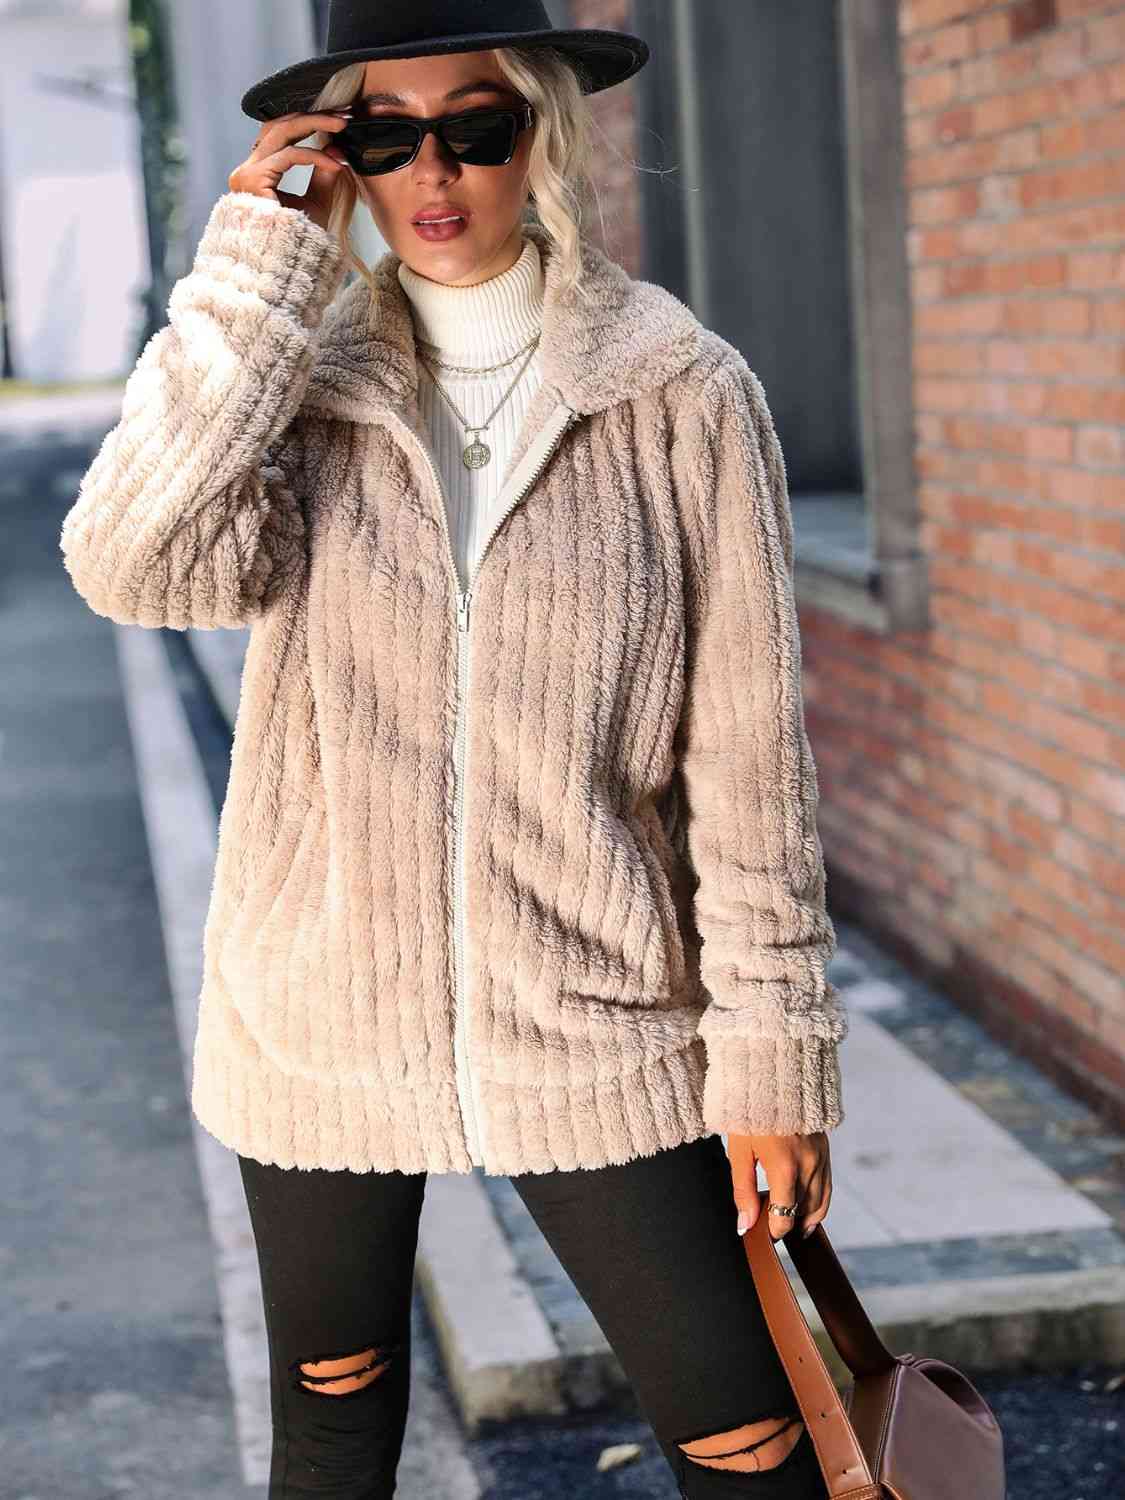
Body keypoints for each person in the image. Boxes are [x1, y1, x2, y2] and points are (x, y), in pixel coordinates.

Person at [60, 4, 849, 1495]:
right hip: (315, 1016)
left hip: (603, 1022)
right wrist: (257, 274)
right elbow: (129, 563)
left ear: (538, 133)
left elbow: (749, 764)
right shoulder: (299, 393)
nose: (436, 170)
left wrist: (775, 1051)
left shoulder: (680, 395)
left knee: (754, 1445)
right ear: (337, 158)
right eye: (383, 133)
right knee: (335, 1435)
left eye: (476, 126)